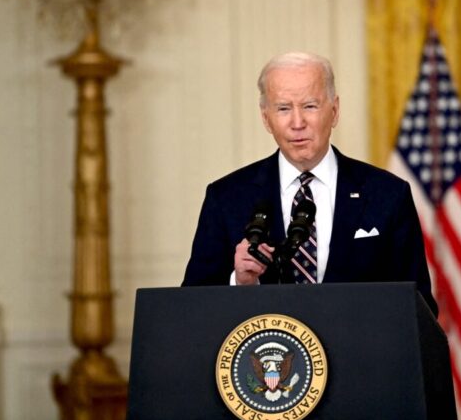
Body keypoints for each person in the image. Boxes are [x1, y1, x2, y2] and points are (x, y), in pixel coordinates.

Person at [182, 52, 437, 315]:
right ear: (266, 118)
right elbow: (192, 309)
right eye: (283, 108)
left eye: (309, 106)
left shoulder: (388, 194)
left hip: (359, 354)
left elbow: (419, 308)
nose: (297, 123)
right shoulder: (226, 198)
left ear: (334, 111)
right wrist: (241, 283)